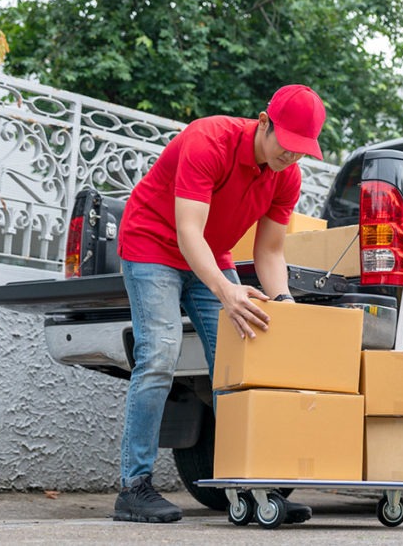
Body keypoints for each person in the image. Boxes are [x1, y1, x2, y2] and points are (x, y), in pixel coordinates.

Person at [112, 84, 327, 523]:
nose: (291, 157)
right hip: (153, 244)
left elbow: (269, 252)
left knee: (243, 364)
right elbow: (188, 230)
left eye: (302, 150)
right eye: (287, 145)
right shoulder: (208, 140)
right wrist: (227, 292)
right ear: (264, 123)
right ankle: (133, 487)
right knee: (159, 354)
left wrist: (283, 302)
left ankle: (253, 486)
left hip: (212, 255)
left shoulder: (288, 175)